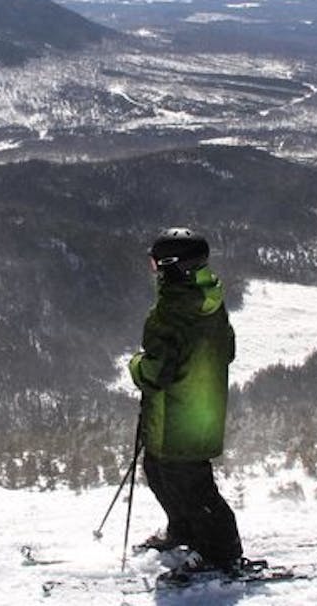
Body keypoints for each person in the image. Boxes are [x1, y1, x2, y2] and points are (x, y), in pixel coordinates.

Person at [127, 227, 245, 579]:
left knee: (191, 484)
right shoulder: (210, 299)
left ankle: (222, 552)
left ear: (169, 267)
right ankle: (184, 531)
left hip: (178, 413)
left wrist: (135, 365)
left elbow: (155, 371)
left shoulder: (171, 311)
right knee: (161, 472)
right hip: (198, 408)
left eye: (155, 264)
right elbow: (229, 349)